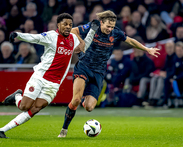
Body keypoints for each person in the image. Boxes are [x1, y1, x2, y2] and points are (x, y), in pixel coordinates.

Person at [0, 13, 99, 138]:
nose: (67, 27)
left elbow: (84, 46)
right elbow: (35, 38)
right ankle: (17, 96)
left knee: (36, 108)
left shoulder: (73, 39)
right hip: (40, 77)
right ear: (58, 24)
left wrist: (92, 30)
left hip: (54, 84)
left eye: (70, 25)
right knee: (24, 106)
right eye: (65, 24)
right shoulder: (51, 36)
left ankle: (1, 131)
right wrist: (18, 35)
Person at [58, 10, 160, 138]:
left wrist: (147, 49)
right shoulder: (92, 26)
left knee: (89, 107)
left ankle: (85, 99)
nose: (110, 29)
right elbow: (73, 31)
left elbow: (130, 41)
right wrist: (81, 42)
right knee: (76, 100)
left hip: (99, 72)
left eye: (112, 26)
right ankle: (64, 129)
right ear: (101, 22)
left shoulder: (115, 33)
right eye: (108, 26)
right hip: (84, 66)